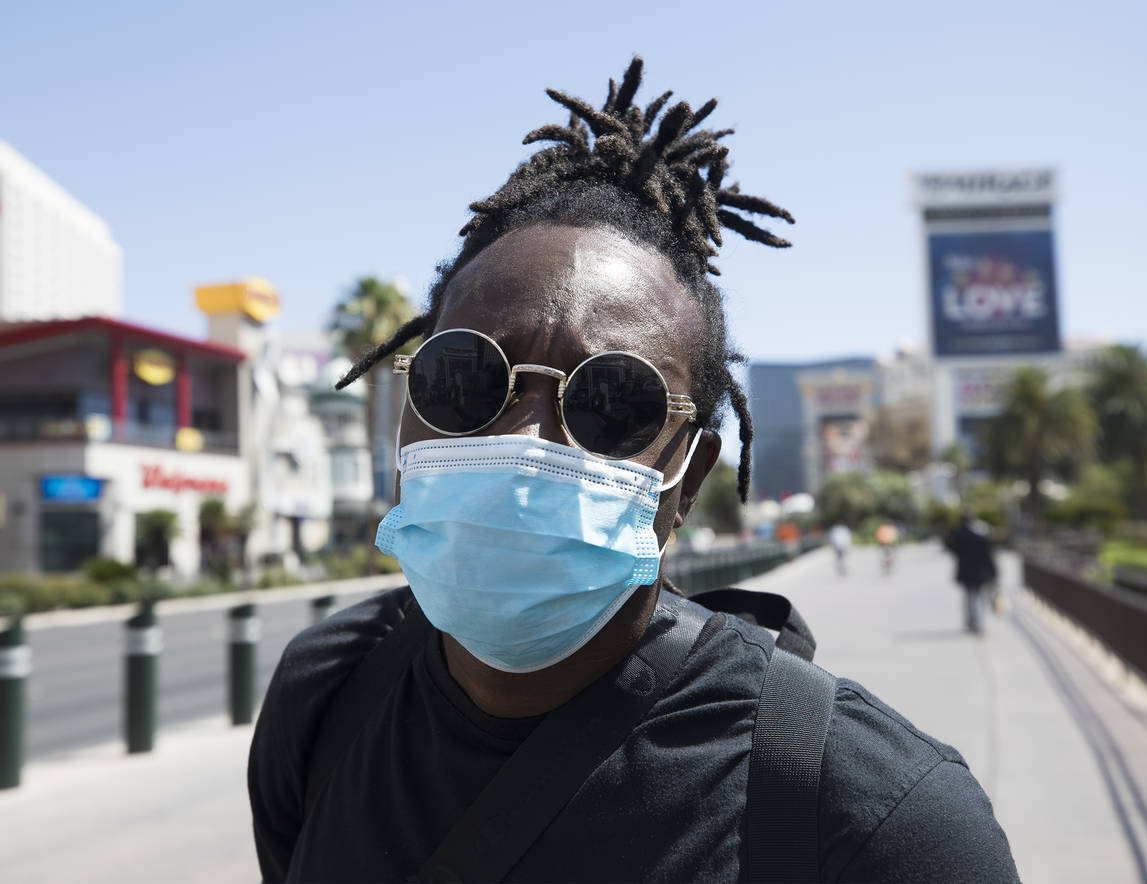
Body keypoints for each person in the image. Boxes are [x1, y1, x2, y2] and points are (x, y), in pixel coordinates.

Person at [248, 58, 1018, 882]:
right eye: (466, 379)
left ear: (686, 480)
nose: (529, 441)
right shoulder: (325, 691)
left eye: (613, 404)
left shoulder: (881, 823)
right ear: (407, 401)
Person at [944, 515, 998, 634]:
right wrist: (995, 573)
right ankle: (977, 623)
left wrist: (951, 533)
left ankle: (973, 622)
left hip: (967, 572)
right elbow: (990, 557)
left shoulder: (960, 537)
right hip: (981, 573)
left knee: (970, 598)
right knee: (980, 598)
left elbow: (949, 548)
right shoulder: (982, 537)